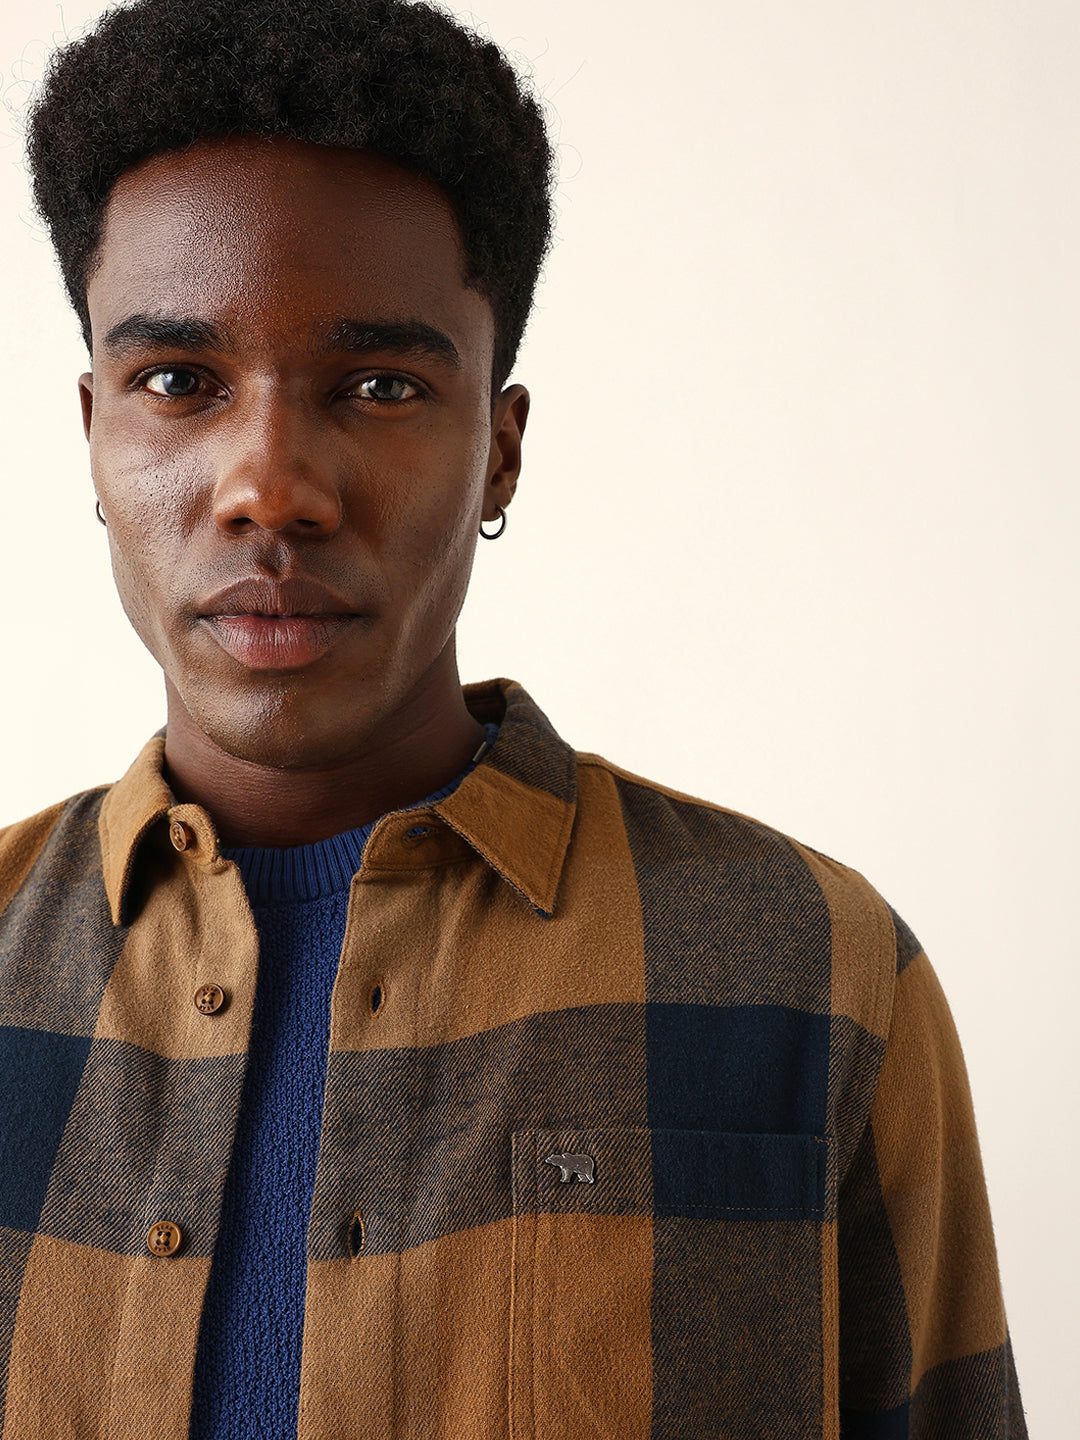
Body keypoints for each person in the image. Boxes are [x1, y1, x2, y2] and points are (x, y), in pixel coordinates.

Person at [0, 0, 1026, 1436]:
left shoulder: (814, 969)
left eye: (381, 386)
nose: (270, 488)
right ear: (94, 435)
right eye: (177, 383)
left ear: (498, 451)